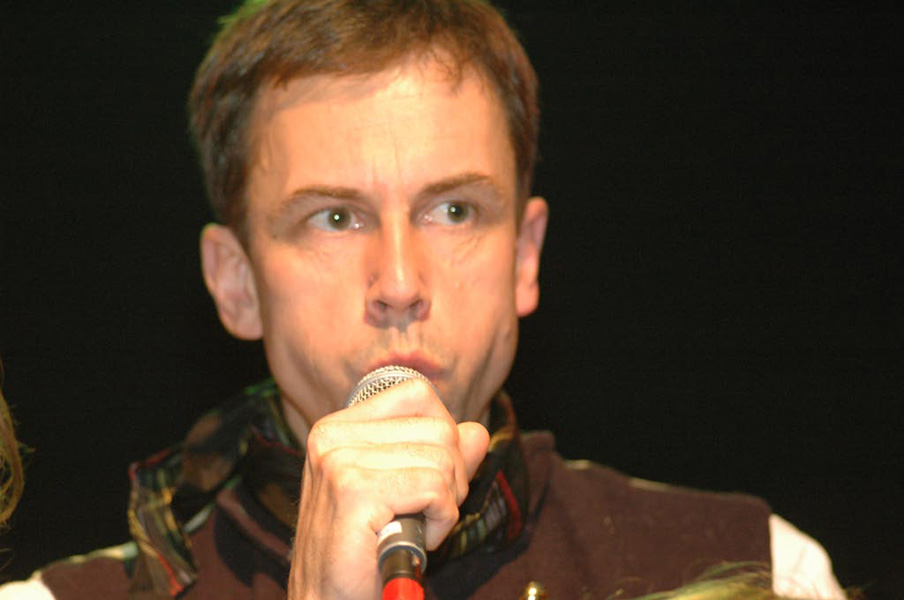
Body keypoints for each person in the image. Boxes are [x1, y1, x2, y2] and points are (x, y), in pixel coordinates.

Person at [0, 1, 846, 598]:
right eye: (335, 218)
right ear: (236, 283)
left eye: (454, 211)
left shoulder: (759, 569)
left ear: (524, 258)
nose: (400, 284)